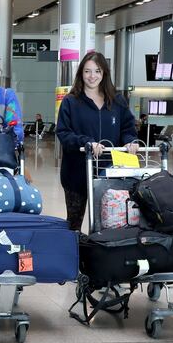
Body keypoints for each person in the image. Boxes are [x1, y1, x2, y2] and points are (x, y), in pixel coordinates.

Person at [56, 52, 139, 232]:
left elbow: (127, 128)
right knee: (74, 223)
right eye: (87, 71)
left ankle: (100, 255)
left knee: (107, 221)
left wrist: (130, 141)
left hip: (109, 172)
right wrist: (86, 142)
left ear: (104, 73)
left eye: (97, 71)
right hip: (76, 173)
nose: (92, 76)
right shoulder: (71, 101)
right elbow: (63, 132)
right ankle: (75, 256)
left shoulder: (117, 101)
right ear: (81, 74)